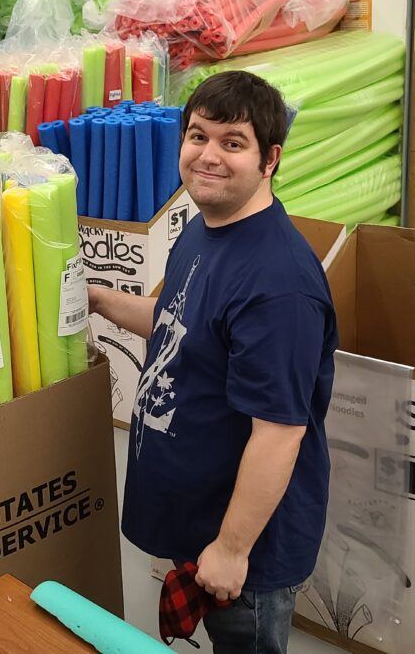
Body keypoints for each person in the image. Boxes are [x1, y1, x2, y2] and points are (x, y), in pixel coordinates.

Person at [89, 71, 338, 653]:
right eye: (197, 136)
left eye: (232, 142)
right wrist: (99, 300)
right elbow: (185, 330)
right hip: (199, 517)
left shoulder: (278, 286)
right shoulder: (204, 229)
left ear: (269, 159)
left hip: (243, 546)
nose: (208, 155)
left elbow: (278, 432)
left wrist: (230, 549)